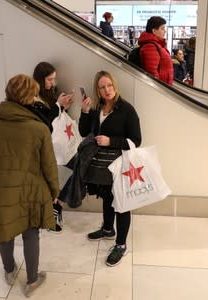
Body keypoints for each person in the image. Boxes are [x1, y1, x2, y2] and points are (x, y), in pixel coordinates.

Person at [0, 74, 59, 297]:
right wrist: (55, 191)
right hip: (31, 190)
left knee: (5, 232)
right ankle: (32, 281)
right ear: (28, 97)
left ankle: (9, 271)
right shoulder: (39, 129)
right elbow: (49, 167)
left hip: (0, 190)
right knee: (30, 234)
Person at [79, 70, 141, 267]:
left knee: (121, 204)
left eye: (109, 85)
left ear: (115, 85)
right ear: (98, 91)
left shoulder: (127, 110)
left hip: (121, 165)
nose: (107, 90)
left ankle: (121, 245)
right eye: (102, 87)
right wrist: (85, 112)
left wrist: (110, 141)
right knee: (107, 196)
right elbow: (83, 132)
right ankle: (107, 229)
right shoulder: (98, 108)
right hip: (102, 166)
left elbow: (136, 141)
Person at [26, 61, 75, 233]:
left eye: (54, 79)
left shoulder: (50, 93)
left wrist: (63, 108)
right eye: (49, 79)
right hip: (42, 149)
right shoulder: (32, 97)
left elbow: (57, 122)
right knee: (45, 182)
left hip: (59, 147)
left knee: (80, 167)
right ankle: (48, 214)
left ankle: (58, 205)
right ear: (40, 79)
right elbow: (44, 124)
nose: (52, 83)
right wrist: (57, 106)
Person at [138, 16, 174, 85]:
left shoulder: (158, 45)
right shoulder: (150, 46)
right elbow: (152, 73)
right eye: (162, 28)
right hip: (161, 88)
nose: (165, 31)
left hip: (165, 86)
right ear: (154, 31)